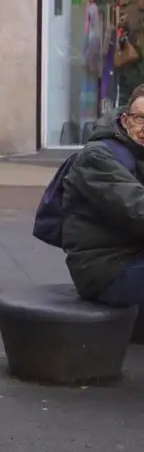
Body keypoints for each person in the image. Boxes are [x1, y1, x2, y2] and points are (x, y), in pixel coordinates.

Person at [62, 85, 144, 306]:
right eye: (140, 119)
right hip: (107, 269)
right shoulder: (98, 156)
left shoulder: (139, 154)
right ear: (126, 120)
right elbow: (137, 208)